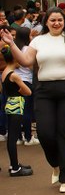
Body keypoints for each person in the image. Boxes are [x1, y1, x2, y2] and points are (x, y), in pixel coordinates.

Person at [1, 7, 65, 193]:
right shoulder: (38, 40)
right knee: (45, 133)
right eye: (52, 20)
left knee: (64, 133)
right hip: (44, 91)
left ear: (64, 21)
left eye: (60, 20)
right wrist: (11, 44)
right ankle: (56, 164)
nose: (56, 23)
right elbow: (25, 61)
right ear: (46, 22)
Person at [1, 37, 33, 176]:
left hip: (9, 103)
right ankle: (15, 167)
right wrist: (21, 90)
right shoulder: (14, 75)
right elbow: (28, 91)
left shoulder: (5, 72)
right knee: (13, 138)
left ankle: (14, 164)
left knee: (12, 137)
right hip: (17, 104)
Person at [12, 27, 38, 145]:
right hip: (26, 81)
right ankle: (28, 137)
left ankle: (18, 137)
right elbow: (31, 67)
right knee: (27, 110)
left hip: (14, 80)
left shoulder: (14, 48)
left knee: (16, 110)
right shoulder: (28, 49)